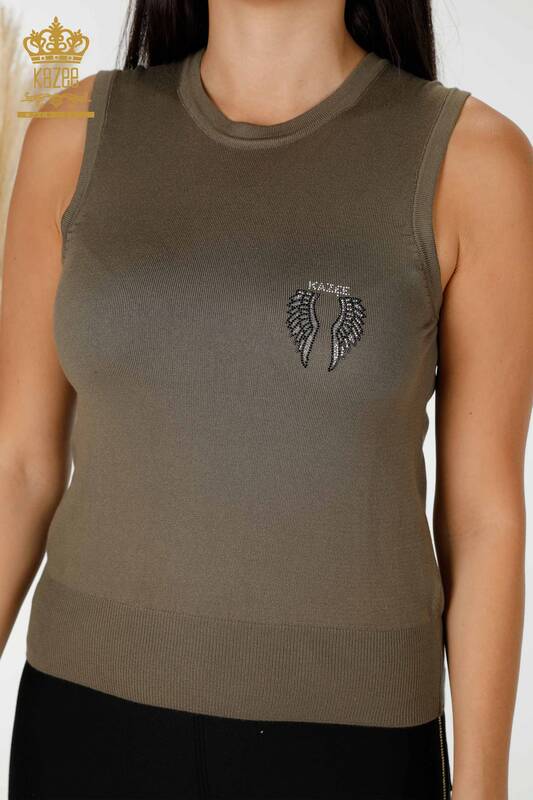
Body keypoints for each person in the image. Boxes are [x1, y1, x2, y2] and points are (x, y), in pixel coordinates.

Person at [2, 1, 532, 798]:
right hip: (81, 721)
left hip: (350, 745)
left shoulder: (473, 158)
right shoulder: (72, 132)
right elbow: (18, 465)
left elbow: (482, 513)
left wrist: (484, 784)